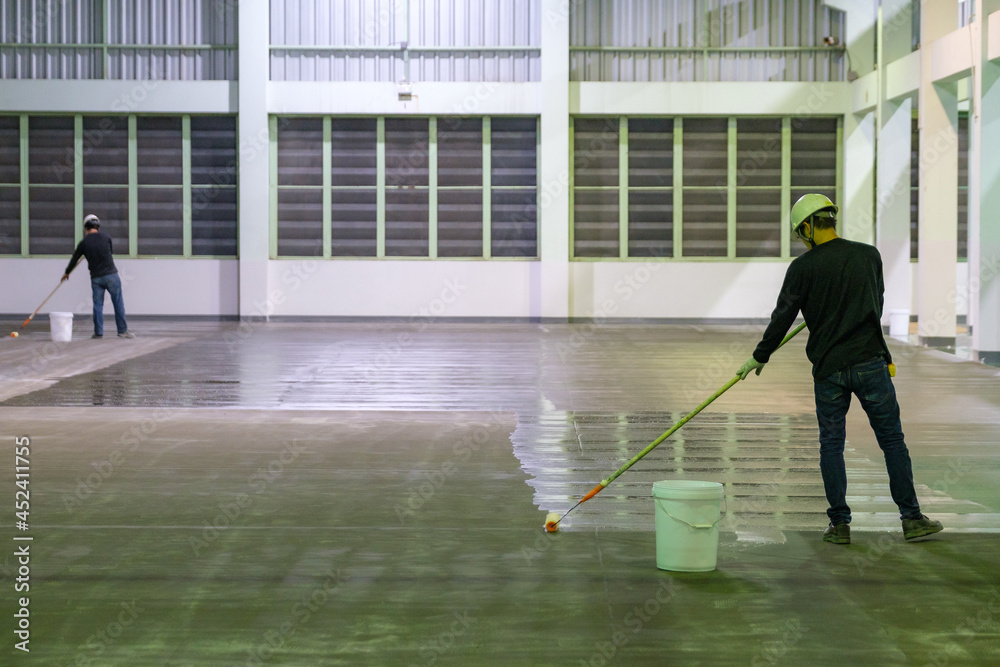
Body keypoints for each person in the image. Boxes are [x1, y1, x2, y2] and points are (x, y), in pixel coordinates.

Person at [736, 194, 942, 545]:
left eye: (800, 234)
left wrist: (760, 355)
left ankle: (839, 525)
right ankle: (912, 519)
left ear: (807, 227)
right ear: (830, 219)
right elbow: (874, 305)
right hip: (870, 364)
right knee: (892, 441)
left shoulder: (802, 269)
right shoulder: (868, 256)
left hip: (829, 370)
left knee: (831, 444)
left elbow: (782, 316)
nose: (801, 240)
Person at [62, 214, 136, 340]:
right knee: (118, 302)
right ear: (98, 226)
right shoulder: (106, 237)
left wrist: (67, 273)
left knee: (97, 305)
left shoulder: (83, 243)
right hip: (111, 275)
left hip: (96, 278)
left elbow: (74, 259)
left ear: (85, 227)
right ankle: (122, 331)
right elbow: (110, 252)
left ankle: (98, 333)